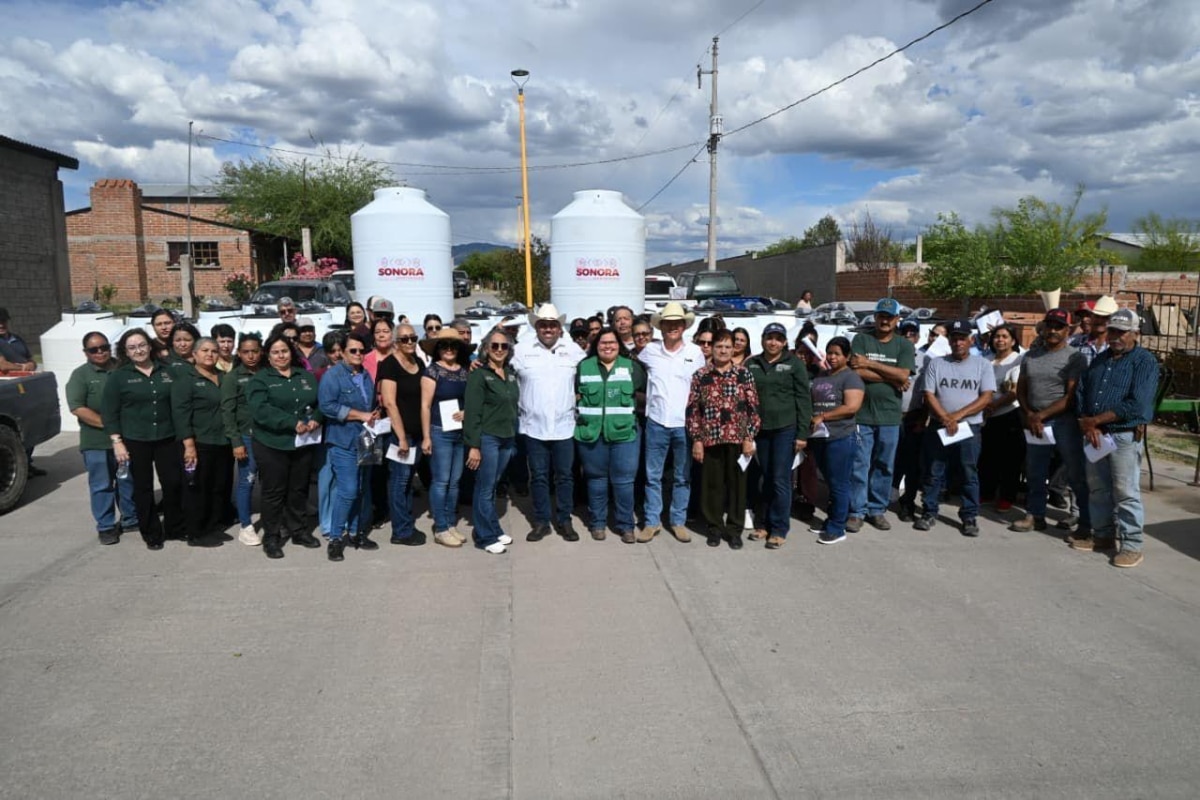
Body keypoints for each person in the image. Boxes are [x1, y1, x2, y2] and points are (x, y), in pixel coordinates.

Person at [1071, 308, 1159, 567]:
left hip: (1122, 436)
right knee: (1098, 488)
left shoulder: (1144, 361)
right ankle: (1103, 536)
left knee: (1125, 491)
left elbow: (1138, 404)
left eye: (1122, 332)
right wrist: (1088, 423)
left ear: (1135, 333)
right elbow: (1082, 392)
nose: (1115, 337)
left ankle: (1132, 545)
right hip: (1096, 434)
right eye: (1112, 331)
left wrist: (1096, 421)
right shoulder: (1101, 359)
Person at [101, 328, 185, 549]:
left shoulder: (167, 372)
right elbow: (110, 412)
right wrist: (117, 441)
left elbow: (179, 403)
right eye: (132, 347)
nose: (138, 350)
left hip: (167, 437)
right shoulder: (119, 377)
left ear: (150, 346)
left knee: (173, 483)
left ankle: (175, 527)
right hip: (136, 439)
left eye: (141, 345)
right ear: (125, 352)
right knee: (143, 487)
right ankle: (151, 533)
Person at [1011, 309, 1091, 534]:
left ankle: (1083, 520)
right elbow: (1021, 389)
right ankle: (1035, 515)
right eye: (1050, 326)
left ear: (1067, 330)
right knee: (1035, 472)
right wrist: (1029, 414)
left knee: (1074, 472)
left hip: (1062, 422)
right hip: (1034, 421)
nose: (1053, 331)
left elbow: (1071, 395)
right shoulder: (1031, 355)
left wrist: (1041, 416)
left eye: (1059, 327)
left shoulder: (1075, 357)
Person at [511, 303, 585, 543]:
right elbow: (500, 368)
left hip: (564, 426)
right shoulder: (521, 350)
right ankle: (541, 521)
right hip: (534, 427)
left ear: (559, 327)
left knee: (564, 477)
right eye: (543, 325)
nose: (548, 329)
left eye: (552, 325)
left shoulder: (573, 350)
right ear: (537, 327)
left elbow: (586, 379)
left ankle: (564, 520)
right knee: (539, 477)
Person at [914, 320, 996, 536]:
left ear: (970, 340)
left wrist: (956, 417)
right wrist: (944, 417)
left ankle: (969, 516)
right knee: (934, 470)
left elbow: (986, 397)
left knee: (968, 471)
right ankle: (929, 511)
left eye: (962, 338)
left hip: (969, 428)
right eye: (954, 338)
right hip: (939, 426)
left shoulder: (983, 365)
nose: (958, 342)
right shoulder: (937, 363)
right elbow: (928, 394)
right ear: (949, 340)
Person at [246, 333, 323, 559]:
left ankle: (298, 530)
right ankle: (272, 536)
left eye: (285, 351)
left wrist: (317, 417)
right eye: (276, 352)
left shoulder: (305, 376)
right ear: (268, 357)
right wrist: (291, 422)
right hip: (272, 444)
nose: (281, 355)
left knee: (298, 488)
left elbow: (319, 402)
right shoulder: (260, 380)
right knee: (273, 492)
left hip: (303, 443)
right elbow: (261, 410)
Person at [637, 302, 706, 543]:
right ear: (661, 326)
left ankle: (678, 521)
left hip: (683, 423)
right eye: (668, 323)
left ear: (684, 326)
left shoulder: (695, 353)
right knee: (652, 475)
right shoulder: (649, 352)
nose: (673, 327)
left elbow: (700, 391)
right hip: (656, 421)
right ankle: (652, 522)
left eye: (677, 323)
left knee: (682, 476)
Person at [686, 330, 761, 549]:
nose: (723, 350)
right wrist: (697, 439)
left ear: (733, 349)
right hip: (711, 439)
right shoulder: (701, 375)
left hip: (737, 439)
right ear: (712, 348)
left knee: (737, 486)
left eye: (728, 347)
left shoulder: (743, 374)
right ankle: (714, 528)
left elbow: (753, 407)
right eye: (719, 346)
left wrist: (749, 437)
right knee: (712, 486)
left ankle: (734, 529)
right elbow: (693, 410)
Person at [847, 297, 916, 532]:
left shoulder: (904, 345)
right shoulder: (862, 339)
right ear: (875, 317)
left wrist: (871, 364)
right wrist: (893, 376)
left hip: (890, 417)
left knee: (885, 465)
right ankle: (857, 511)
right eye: (881, 316)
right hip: (862, 414)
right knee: (860, 464)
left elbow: (904, 376)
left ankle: (877, 510)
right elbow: (857, 370)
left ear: (897, 320)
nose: (885, 320)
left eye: (889, 317)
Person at [65, 331, 138, 545]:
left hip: (126, 440)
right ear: (85, 352)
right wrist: (111, 427)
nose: (100, 352)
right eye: (93, 349)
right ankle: (106, 526)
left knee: (126, 480)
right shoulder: (81, 375)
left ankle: (130, 518)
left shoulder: (123, 369)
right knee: (102, 484)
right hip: (96, 442)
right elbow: (77, 407)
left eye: (104, 347)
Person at [575, 327, 645, 543]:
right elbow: (575, 394)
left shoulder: (632, 367)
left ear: (619, 345)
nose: (608, 346)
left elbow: (644, 394)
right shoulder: (583, 367)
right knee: (596, 481)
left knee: (624, 482)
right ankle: (597, 523)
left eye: (612, 342)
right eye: (603, 342)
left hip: (625, 435)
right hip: (591, 434)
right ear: (596, 345)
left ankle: (626, 526)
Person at [745, 322, 811, 549]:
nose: (773, 342)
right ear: (762, 339)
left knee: (780, 479)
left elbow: (804, 399)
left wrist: (803, 433)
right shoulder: (752, 363)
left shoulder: (794, 364)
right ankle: (762, 525)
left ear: (784, 342)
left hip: (785, 429)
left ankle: (779, 528)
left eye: (777, 338)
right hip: (760, 430)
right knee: (763, 477)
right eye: (769, 338)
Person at [317, 330, 380, 561]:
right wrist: (359, 415)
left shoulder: (365, 375)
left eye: (362, 351)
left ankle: (356, 532)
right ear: (342, 352)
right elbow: (327, 406)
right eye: (353, 350)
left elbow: (370, 403)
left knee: (363, 488)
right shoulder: (333, 376)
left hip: (367, 439)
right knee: (348, 490)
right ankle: (336, 538)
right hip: (343, 440)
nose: (358, 354)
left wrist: (374, 413)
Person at [464, 329, 520, 554]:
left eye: (503, 346)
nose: (499, 350)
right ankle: (484, 536)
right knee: (485, 488)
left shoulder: (510, 372)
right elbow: (473, 412)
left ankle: (493, 528)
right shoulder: (479, 375)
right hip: (488, 438)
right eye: (494, 346)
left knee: (492, 486)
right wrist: (474, 446)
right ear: (486, 349)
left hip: (507, 437)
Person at [171, 337, 230, 547]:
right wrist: (189, 446)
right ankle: (195, 531)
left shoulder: (223, 377)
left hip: (222, 441)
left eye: (214, 351)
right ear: (194, 354)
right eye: (204, 350)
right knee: (197, 488)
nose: (210, 355)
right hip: (198, 442)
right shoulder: (185, 380)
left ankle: (211, 526)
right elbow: (181, 414)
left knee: (217, 486)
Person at [807, 337, 865, 544]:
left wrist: (823, 416)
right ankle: (832, 519)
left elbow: (851, 407)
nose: (832, 357)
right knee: (831, 482)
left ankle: (838, 527)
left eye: (837, 354)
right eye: (829, 352)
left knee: (840, 483)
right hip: (820, 437)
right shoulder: (822, 375)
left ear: (847, 357)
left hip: (840, 437)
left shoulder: (851, 378)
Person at [420, 328, 473, 547]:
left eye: (453, 346)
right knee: (441, 481)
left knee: (454, 481)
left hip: (459, 431)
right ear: (437, 349)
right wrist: (426, 437)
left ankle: (450, 523)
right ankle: (440, 527)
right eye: (444, 346)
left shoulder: (465, 371)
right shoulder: (432, 372)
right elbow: (424, 405)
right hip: (439, 430)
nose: (449, 350)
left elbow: (471, 399)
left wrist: (466, 412)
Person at [377, 323, 426, 545]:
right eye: (404, 339)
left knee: (406, 481)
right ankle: (401, 531)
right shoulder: (389, 365)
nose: (409, 342)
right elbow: (389, 402)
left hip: (416, 433)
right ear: (395, 342)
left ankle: (406, 522)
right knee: (399, 480)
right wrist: (402, 437)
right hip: (399, 435)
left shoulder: (419, 362)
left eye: (412, 338)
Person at [222, 333, 263, 546]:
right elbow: (227, 412)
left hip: (268, 436)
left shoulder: (267, 373)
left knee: (271, 481)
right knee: (247, 480)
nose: (251, 355)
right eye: (246, 352)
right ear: (239, 353)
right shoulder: (233, 378)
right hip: (246, 437)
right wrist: (236, 441)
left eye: (255, 351)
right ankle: (246, 526)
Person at [978, 323, 1024, 512]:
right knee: (988, 456)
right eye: (997, 336)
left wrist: (993, 406)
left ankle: (1006, 496)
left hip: (1009, 414)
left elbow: (1014, 391)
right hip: (986, 416)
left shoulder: (1019, 359)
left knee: (1009, 459)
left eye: (1005, 337)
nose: (1000, 340)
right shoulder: (986, 360)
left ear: (1013, 341)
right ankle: (987, 492)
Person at [893, 320, 929, 522]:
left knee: (912, 464)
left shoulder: (926, 360)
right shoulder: (891, 356)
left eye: (912, 333)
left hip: (913, 416)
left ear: (917, 337)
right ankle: (883, 497)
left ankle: (907, 502)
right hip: (889, 415)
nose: (908, 336)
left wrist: (923, 417)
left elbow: (929, 393)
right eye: (904, 332)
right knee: (886, 460)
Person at [1071, 295, 1117, 366]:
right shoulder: (1075, 342)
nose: (1100, 320)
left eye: (1105, 317)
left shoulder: (1117, 346)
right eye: (1097, 316)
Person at [364, 317, 394, 381]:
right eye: (377, 332)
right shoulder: (365, 360)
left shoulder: (402, 356)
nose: (381, 335)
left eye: (385, 331)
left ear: (392, 334)